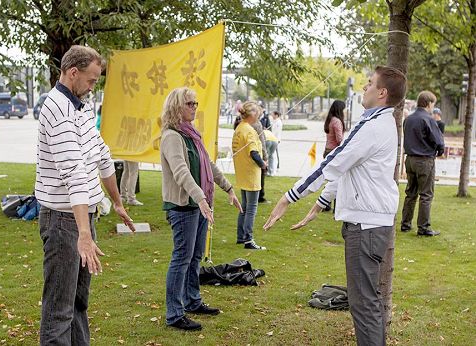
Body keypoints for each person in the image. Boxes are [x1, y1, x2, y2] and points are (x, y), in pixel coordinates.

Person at [264, 66, 407, 346]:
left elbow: (333, 163)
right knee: (366, 301)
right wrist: (318, 205)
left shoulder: (373, 125)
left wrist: (288, 197)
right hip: (371, 223)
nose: (363, 88)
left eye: (369, 84)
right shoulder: (380, 122)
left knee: (363, 304)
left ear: (382, 92)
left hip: (365, 228)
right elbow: (349, 170)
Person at [35, 45, 136, 345]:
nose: (94, 86)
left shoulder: (81, 104)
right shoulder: (57, 108)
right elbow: (74, 175)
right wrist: (83, 233)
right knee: (59, 310)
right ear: (73, 72)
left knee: (79, 303)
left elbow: (102, 156)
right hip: (63, 220)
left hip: (82, 218)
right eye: (91, 80)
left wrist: (117, 202)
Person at [160, 87, 242, 331]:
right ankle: (174, 314)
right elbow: (181, 172)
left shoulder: (192, 134)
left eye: (195, 103)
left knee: (195, 257)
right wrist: (201, 199)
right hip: (183, 206)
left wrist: (228, 188)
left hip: (199, 205)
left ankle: (192, 301)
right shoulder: (172, 136)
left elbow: (208, 164)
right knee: (181, 258)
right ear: (176, 106)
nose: (194, 106)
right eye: (189, 103)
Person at [401, 91, 444, 236]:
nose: (433, 107)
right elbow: (438, 140)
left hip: (410, 159)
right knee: (426, 194)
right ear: (428, 103)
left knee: (410, 193)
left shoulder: (408, 119)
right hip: (424, 160)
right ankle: (423, 228)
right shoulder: (429, 119)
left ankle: (405, 224)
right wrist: (440, 150)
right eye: (433, 104)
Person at [232, 101, 267, 250]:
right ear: (252, 114)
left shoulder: (239, 128)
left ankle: (241, 236)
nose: (258, 116)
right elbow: (253, 152)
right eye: (257, 113)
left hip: (242, 173)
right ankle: (248, 239)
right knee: (251, 208)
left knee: (244, 207)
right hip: (251, 173)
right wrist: (263, 164)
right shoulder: (249, 130)